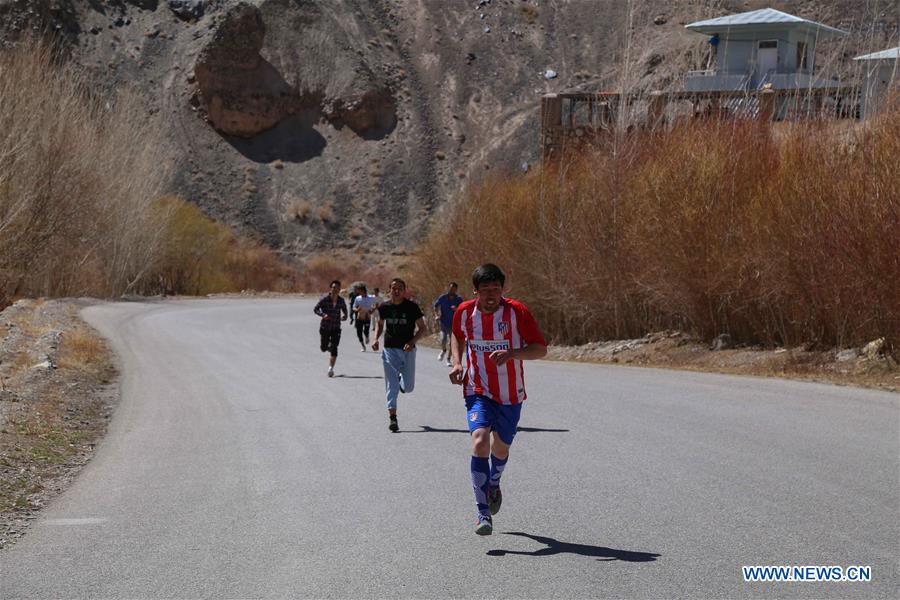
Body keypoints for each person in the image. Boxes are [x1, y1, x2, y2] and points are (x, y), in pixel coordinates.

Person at [448, 264, 547, 535]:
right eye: (485, 289)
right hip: (477, 389)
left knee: (500, 449)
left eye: (496, 289)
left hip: (509, 394)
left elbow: (540, 349)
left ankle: (494, 482)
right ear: (475, 291)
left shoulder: (517, 312)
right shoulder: (464, 312)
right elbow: (457, 335)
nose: (491, 294)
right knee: (480, 440)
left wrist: (512, 353)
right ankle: (482, 514)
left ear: (502, 289)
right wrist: (457, 363)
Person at [372, 278, 427, 432]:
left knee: (408, 387)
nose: (396, 291)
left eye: (400, 288)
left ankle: (401, 381)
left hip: (408, 350)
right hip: (390, 349)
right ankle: (393, 418)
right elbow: (380, 324)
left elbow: (422, 328)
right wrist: (376, 339)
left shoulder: (412, 307)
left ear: (404, 291)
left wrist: (412, 341)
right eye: (394, 288)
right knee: (391, 384)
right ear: (389, 290)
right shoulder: (384, 307)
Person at [313, 280, 348, 377]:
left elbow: (345, 309)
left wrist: (345, 316)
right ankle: (328, 346)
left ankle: (330, 368)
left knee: (334, 347)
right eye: (333, 287)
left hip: (336, 327)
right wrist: (323, 315)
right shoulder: (324, 299)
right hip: (325, 327)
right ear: (330, 288)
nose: (335, 289)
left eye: (337, 288)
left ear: (339, 289)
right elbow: (316, 309)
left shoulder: (341, 300)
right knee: (323, 348)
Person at [433, 282, 464, 367]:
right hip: (443, 323)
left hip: (454, 324)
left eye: (454, 289)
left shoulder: (459, 299)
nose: (452, 290)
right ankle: (443, 350)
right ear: (448, 288)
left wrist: (457, 309)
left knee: (451, 343)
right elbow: (435, 306)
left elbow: (463, 310)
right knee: (443, 339)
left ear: (456, 290)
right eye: (450, 288)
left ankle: (448, 359)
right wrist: (436, 315)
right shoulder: (443, 298)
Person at [352, 285, 378, 351]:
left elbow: (376, 304)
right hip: (359, 317)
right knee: (359, 332)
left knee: (366, 330)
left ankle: (367, 336)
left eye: (360, 291)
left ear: (363, 291)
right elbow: (353, 307)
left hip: (367, 317)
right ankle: (363, 346)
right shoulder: (358, 298)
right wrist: (356, 310)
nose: (358, 292)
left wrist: (372, 310)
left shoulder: (371, 298)